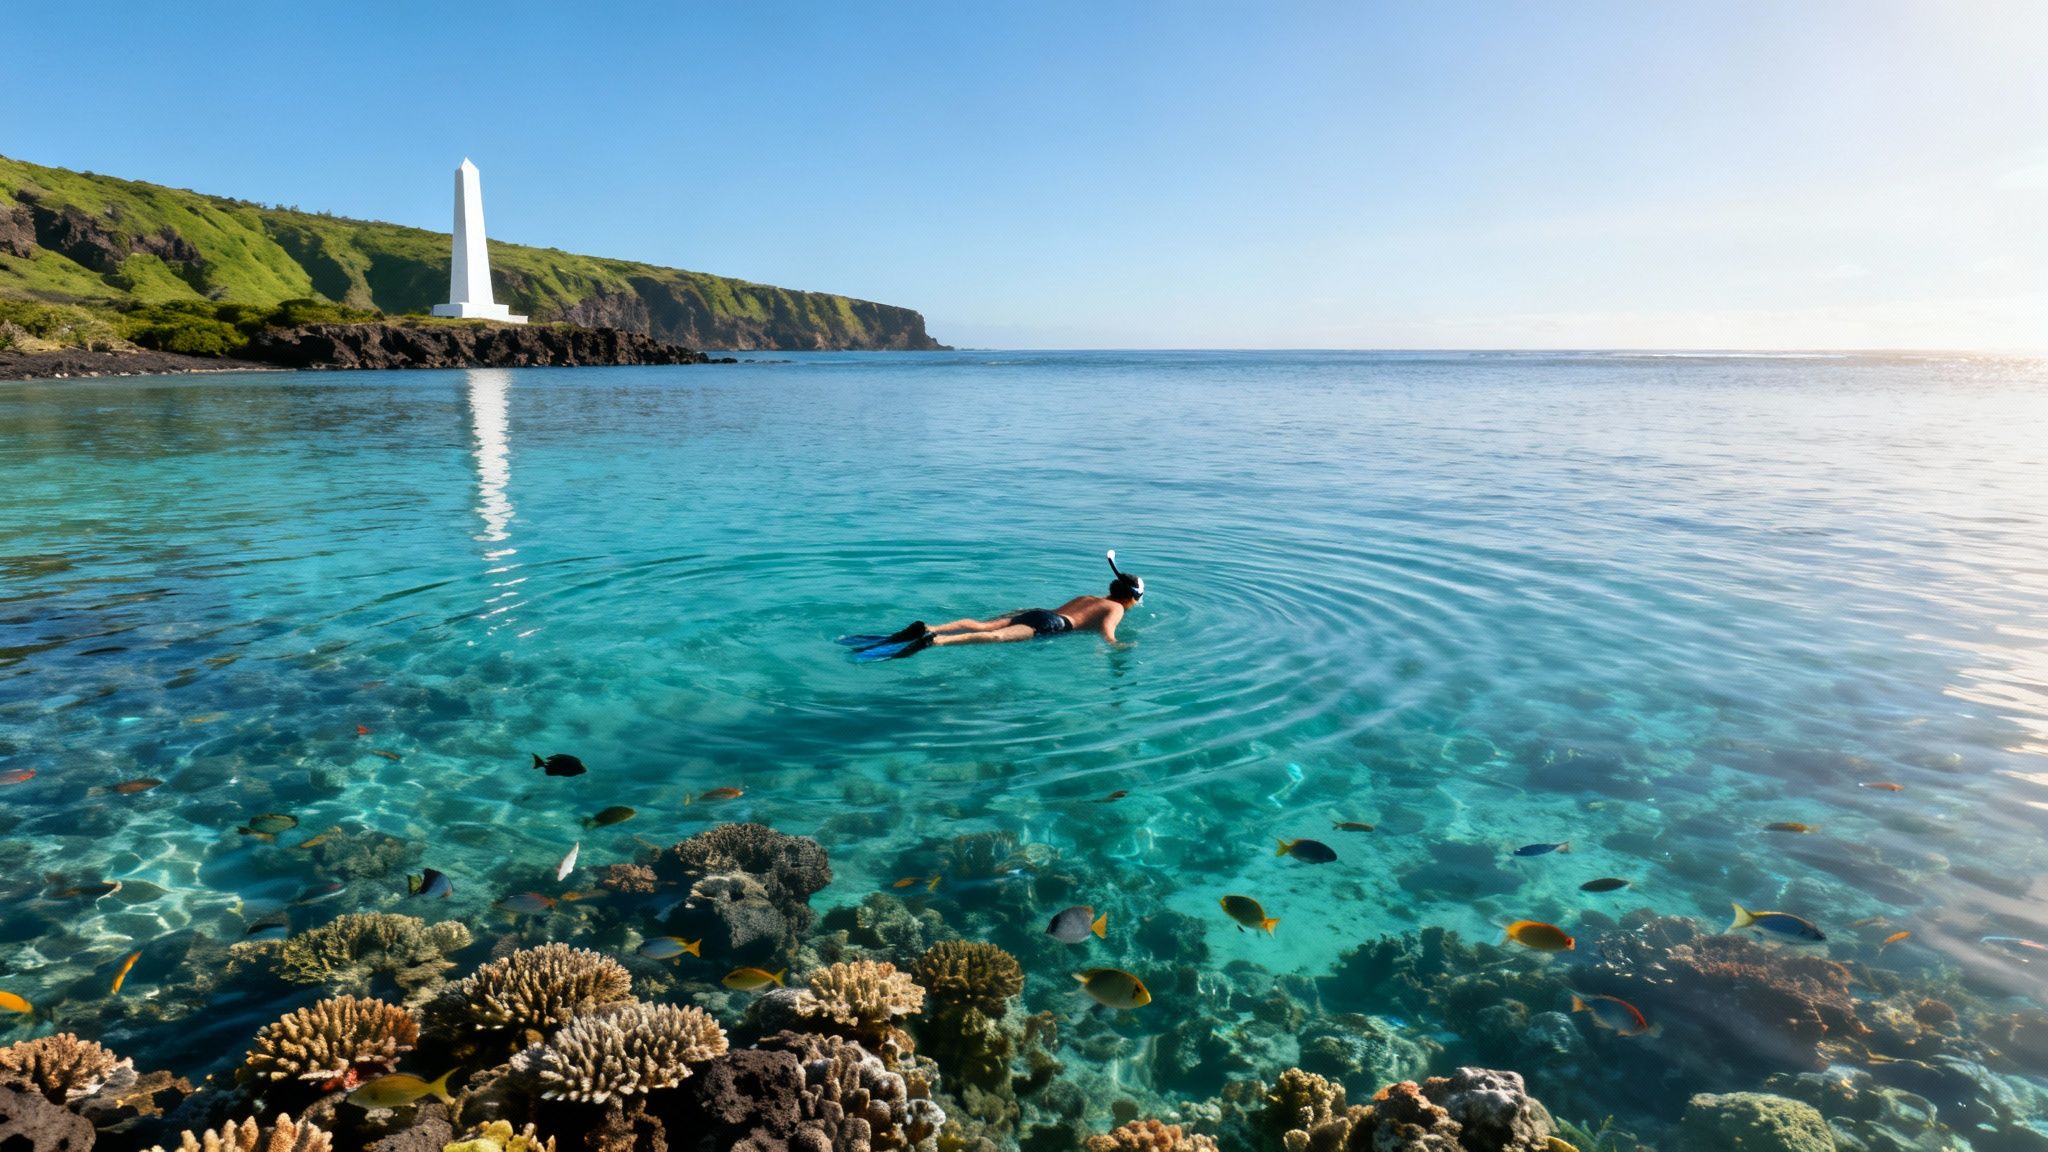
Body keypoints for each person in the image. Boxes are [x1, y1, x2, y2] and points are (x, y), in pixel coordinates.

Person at [855, 551, 1144, 660]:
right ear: (1131, 597)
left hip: (1040, 613)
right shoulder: (1115, 608)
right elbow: (1107, 634)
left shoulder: (1088, 598)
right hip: (1054, 625)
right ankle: (936, 641)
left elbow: (1057, 611)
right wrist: (1121, 648)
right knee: (996, 638)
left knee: (984, 625)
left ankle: (931, 627)